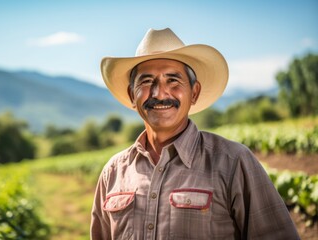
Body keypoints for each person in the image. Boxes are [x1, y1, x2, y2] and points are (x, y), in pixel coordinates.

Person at [91, 28, 299, 239]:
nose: (159, 93)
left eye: (173, 80)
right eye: (146, 81)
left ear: (195, 93)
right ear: (132, 95)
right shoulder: (113, 172)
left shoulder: (233, 162)